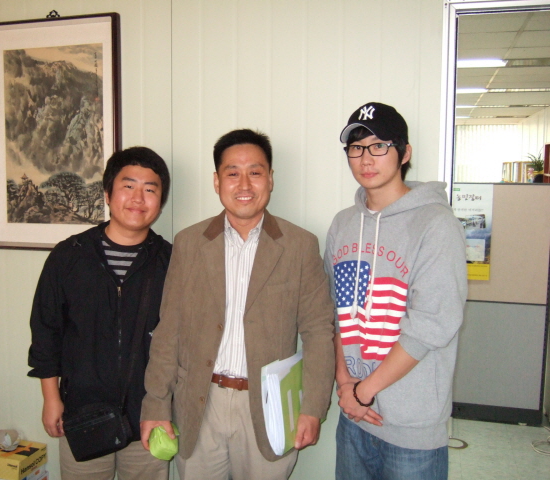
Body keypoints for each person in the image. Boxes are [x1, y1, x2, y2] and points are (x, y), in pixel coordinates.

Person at [140, 129, 335, 480]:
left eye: (255, 172)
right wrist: (155, 403)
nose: (244, 184)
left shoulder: (300, 245)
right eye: (232, 173)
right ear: (217, 181)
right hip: (199, 402)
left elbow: (319, 332)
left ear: (270, 179)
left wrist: (313, 407)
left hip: (267, 407)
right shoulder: (189, 242)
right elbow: (169, 328)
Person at [325, 102, 467, 480]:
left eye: (379, 146)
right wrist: (345, 384)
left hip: (411, 428)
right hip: (354, 418)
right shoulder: (343, 224)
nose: (366, 158)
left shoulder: (436, 225)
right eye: (356, 148)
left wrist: (364, 391)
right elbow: (339, 313)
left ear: (404, 153)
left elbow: (432, 325)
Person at [27, 147, 172, 480]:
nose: (138, 198)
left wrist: (164, 407)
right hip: (82, 414)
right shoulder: (69, 256)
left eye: (150, 189)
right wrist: (51, 398)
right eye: (128, 186)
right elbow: (46, 330)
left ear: (160, 201)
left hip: (148, 417)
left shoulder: (170, 261)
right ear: (107, 194)